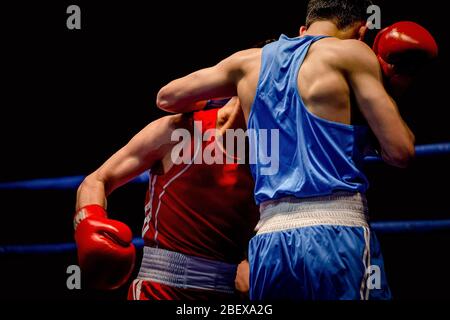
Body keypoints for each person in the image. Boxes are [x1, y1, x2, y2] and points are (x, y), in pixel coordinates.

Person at [155, 0, 437, 300]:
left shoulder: (248, 63)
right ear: (362, 31)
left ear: (305, 27)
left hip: (268, 242)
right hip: (337, 235)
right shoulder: (355, 53)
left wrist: (240, 94)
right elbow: (400, 151)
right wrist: (396, 83)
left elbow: (168, 97)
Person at [74, 97, 259, 300]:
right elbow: (96, 181)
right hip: (161, 290)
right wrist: (89, 225)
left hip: (224, 293)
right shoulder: (181, 131)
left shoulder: (276, 151)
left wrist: (248, 261)